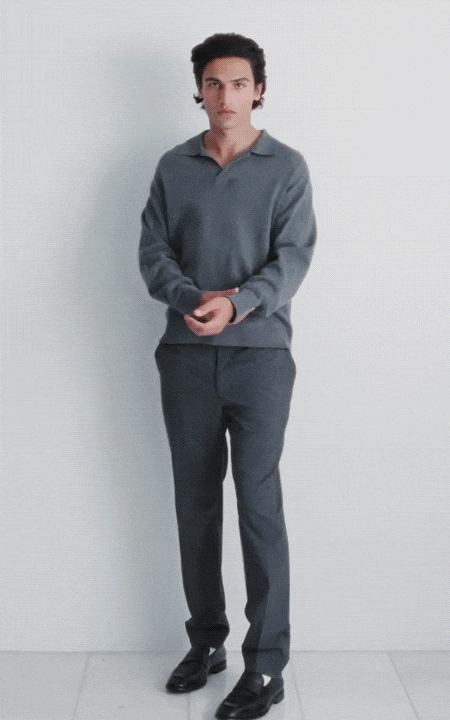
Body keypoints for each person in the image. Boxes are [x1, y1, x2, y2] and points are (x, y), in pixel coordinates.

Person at [139, 32, 316, 720]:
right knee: (195, 503)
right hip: (185, 355)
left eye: (239, 83)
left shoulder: (287, 167)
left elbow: (292, 259)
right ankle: (206, 641)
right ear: (199, 90)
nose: (226, 96)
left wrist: (237, 303)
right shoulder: (173, 166)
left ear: (259, 90)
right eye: (213, 83)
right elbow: (154, 252)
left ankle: (266, 664)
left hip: (261, 357)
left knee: (259, 505)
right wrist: (191, 299)